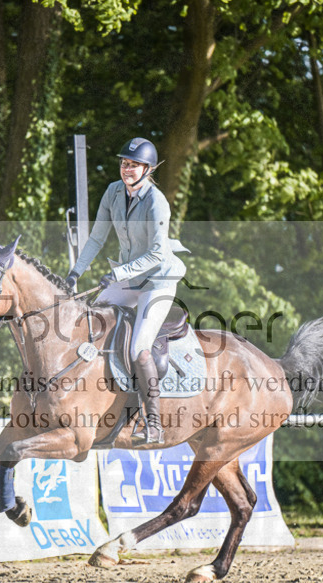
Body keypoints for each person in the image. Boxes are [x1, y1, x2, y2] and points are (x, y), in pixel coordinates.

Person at [65, 137, 188, 444]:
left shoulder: (157, 202)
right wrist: (75, 273)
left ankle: (154, 423)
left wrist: (118, 272)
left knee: (138, 348)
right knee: (88, 323)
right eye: (124, 163)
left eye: (133, 165)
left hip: (157, 281)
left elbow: (158, 255)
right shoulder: (112, 192)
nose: (127, 169)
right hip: (129, 278)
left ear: (148, 169)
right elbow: (95, 239)